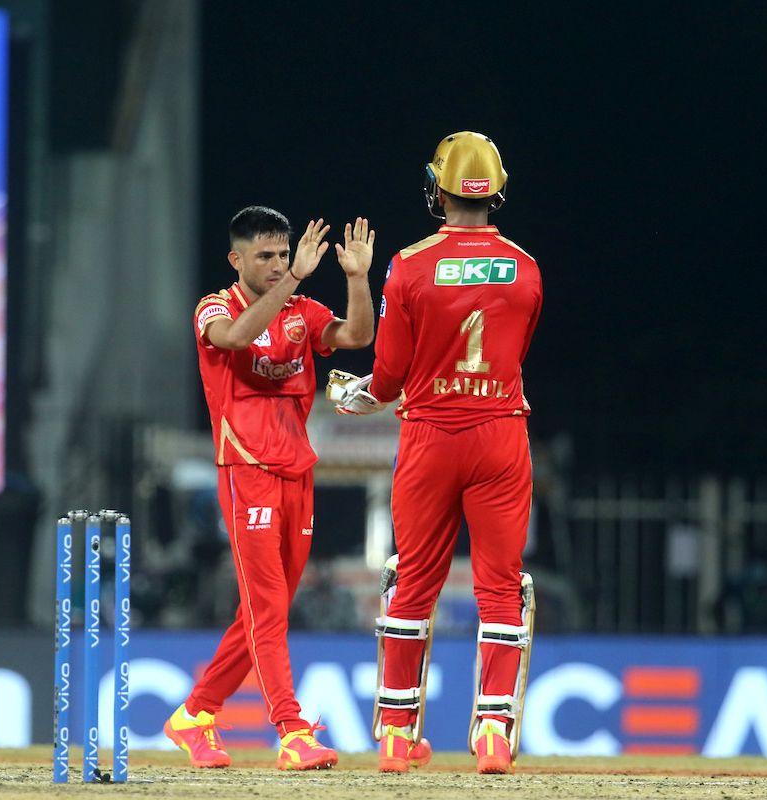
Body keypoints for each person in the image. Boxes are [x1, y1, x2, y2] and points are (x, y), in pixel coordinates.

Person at [329, 132, 542, 774]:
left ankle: (396, 736)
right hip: (500, 433)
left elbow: (390, 375)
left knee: (413, 583)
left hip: (429, 437)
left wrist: (363, 396)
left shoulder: (410, 264)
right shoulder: (526, 266)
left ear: (438, 190)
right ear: (495, 189)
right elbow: (516, 353)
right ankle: (494, 737)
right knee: (501, 589)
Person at [163, 206, 375, 770]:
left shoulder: (302, 310)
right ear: (237, 260)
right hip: (246, 469)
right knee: (267, 606)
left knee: (267, 608)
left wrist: (357, 278)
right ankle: (291, 729)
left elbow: (357, 334)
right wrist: (296, 282)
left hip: (297, 470)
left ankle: (196, 714)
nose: (280, 264)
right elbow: (234, 336)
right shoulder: (214, 307)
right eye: (267, 257)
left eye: (285, 255)